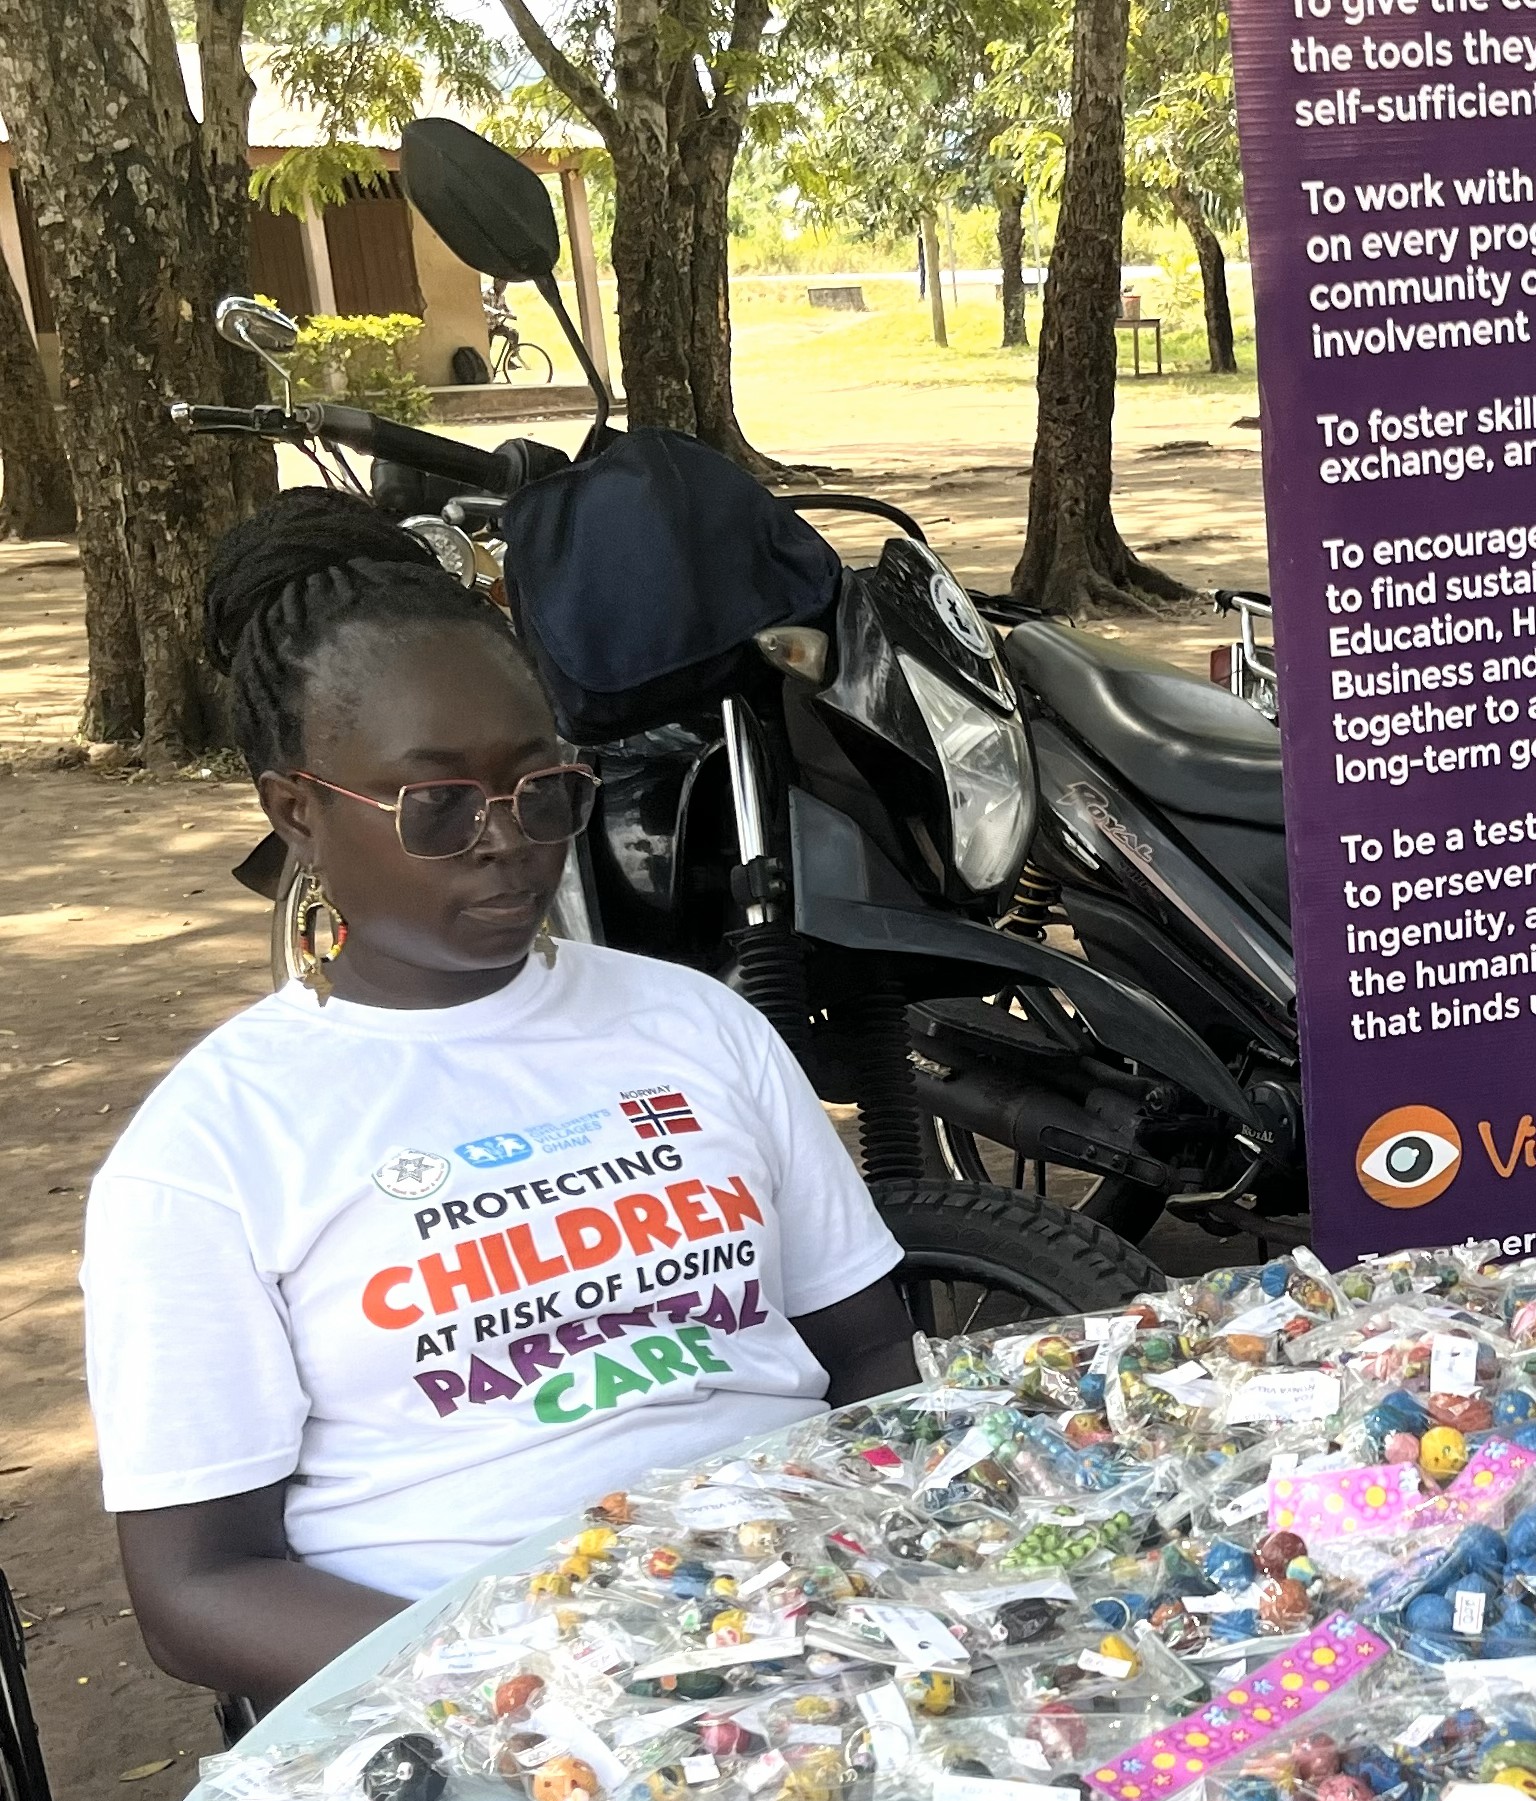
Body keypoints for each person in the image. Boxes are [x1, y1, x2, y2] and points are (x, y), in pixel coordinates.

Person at [83, 490, 922, 1711]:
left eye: (543, 790)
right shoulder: (213, 1150)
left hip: (820, 1614)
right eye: (436, 806)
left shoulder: (695, 1025)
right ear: (296, 811)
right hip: (493, 1695)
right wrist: (543, 1677)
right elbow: (197, 1586)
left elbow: (870, 1349)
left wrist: (888, 1544)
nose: (507, 840)